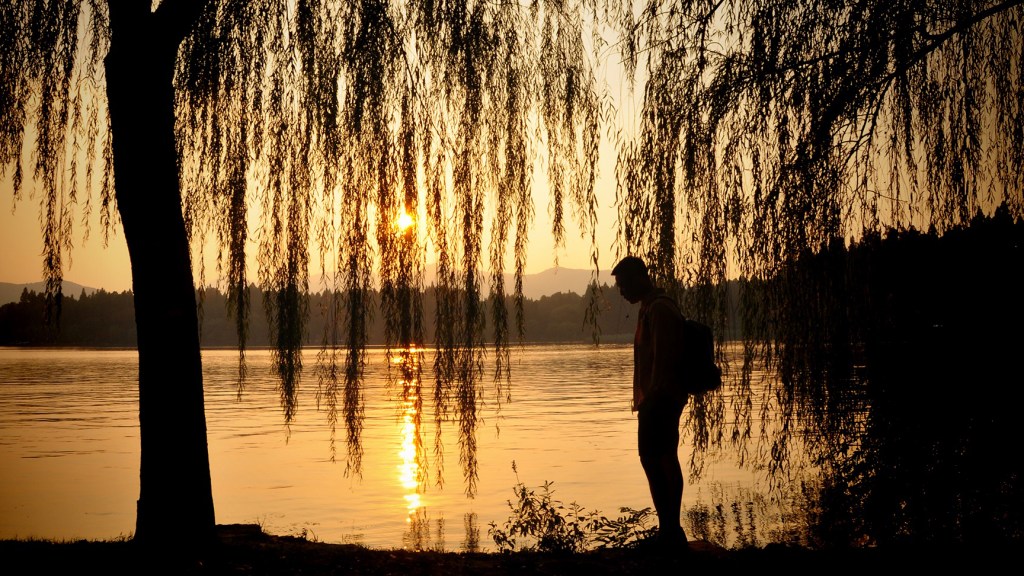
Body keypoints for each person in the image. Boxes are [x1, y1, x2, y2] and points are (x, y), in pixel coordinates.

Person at [611, 255, 688, 552]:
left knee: (663, 458)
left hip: (661, 399)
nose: (621, 292)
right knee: (653, 459)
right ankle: (667, 528)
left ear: (638, 278)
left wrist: (654, 398)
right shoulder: (649, 309)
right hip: (652, 400)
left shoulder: (660, 309)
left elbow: (664, 359)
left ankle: (671, 530)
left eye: (622, 284)